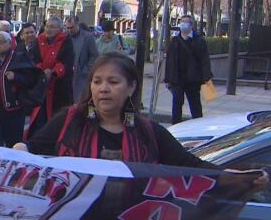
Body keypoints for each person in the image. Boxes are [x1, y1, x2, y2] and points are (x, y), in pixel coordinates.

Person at [14, 52, 215, 167]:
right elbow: (31, 149)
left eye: (113, 82)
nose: (103, 89)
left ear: (131, 87)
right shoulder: (69, 121)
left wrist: (238, 178)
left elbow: (192, 167)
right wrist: (21, 149)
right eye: (97, 81)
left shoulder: (149, 132)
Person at [0, 31, 39, 147]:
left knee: (14, 144)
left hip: (14, 111)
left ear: (9, 43)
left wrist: (16, 77)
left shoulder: (19, 58)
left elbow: (31, 80)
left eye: (1, 43)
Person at [26, 16, 74, 138]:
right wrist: (41, 70)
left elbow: (67, 62)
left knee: (57, 118)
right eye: (47, 26)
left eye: (52, 27)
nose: (49, 29)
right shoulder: (39, 40)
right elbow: (34, 59)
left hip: (59, 87)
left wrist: (53, 72)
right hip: (42, 86)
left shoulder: (66, 41)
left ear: (59, 29)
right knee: (39, 119)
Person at [164, 14, 213, 124]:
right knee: (177, 103)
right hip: (177, 79)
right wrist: (167, 79)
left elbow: (204, 60)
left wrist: (206, 78)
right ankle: (175, 126)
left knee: (195, 105)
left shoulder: (199, 41)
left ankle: (197, 126)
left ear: (191, 25)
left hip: (193, 79)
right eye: (182, 22)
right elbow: (169, 61)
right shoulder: (174, 41)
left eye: (186, 22)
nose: (183, 24)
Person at [66, 15, 99, 102]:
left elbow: (94, 55)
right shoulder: (66, 37)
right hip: (68, 75)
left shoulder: (88, 37)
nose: (69, 30)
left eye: (71, 27)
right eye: (67, 28)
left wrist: (86, 70)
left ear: (77, 25)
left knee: (80, 101)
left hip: (81, 76)